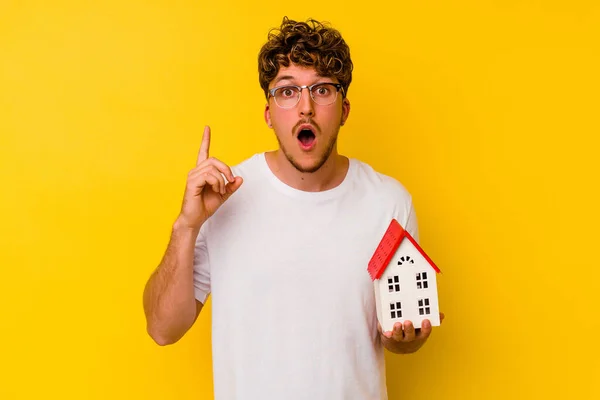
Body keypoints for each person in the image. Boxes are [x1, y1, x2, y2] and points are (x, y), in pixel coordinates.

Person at [143, 16, 444, 400]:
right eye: (287, 92)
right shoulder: (221, 197)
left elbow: (397, 338)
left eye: (322, 90)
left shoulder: (388, 202)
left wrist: (406, 338)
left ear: (345, 109)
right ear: (269, 114)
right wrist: (186, 226)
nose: (305, 107)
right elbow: (162, 329)